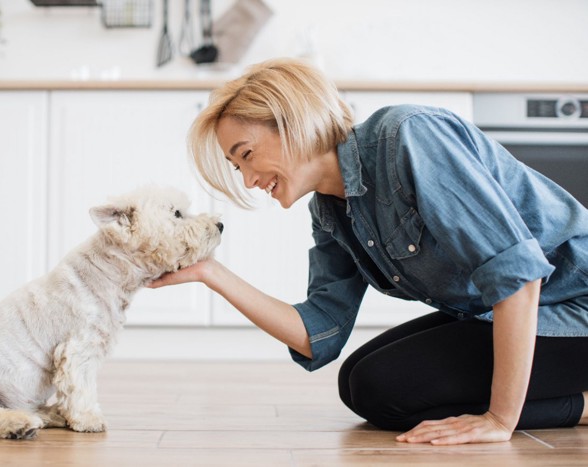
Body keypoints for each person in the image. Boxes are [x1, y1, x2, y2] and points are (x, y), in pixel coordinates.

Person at [149, 58, 588, 445]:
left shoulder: (408, 136)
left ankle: (577, 406)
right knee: (362, 384)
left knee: (387, 385)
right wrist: (211, 274)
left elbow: (516, 275)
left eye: (247, 155)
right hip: (530, 308)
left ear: (291, 121)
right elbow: (318, 331)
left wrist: (498, 419)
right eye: (237, 166)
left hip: (573, 303)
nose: (248, 180)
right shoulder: (328, 211)